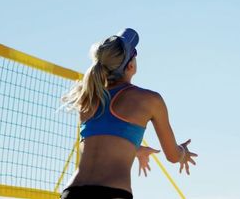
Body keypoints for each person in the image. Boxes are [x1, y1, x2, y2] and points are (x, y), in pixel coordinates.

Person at [60, 28, 197, 199]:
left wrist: (136, 150)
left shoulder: (88, 99)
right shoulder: (149, 100)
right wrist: (183, 152)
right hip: (111, 192)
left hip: (73, 192)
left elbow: (97, 144)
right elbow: (172, 156)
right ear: (131, 65)